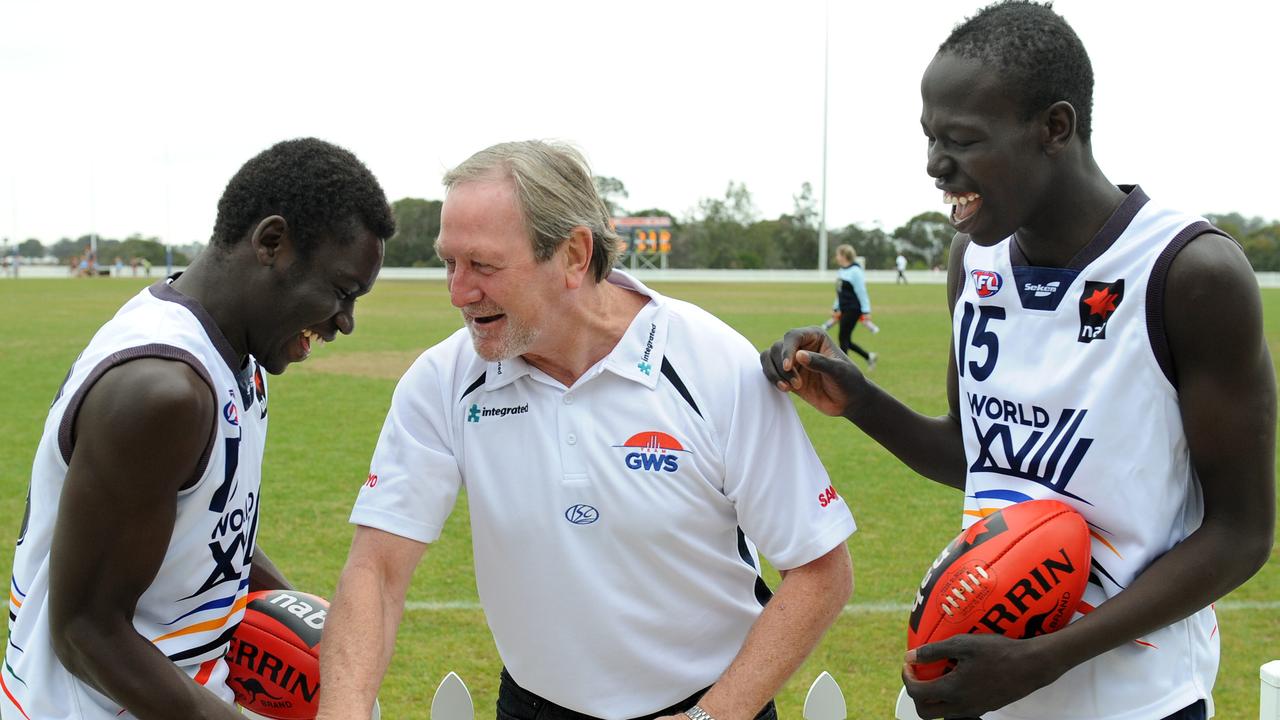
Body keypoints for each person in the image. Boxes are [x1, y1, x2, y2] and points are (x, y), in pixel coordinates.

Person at [760, 2, 1274, 719]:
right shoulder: (974, 258)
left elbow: (1240, 533)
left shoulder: (1189, 273)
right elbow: (975, 457)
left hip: (1133, 699)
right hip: (986, 670)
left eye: (962, 140)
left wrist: (1045, 659)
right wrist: (862, 402)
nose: (936, 166)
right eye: (929, 137)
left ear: (1054, 128)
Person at [317, 140, 855, 720]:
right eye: (450, 262)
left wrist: (713, 716)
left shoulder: (711, 362)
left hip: (710, 707)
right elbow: (376, 570)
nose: (458, 292)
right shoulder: (443, 380)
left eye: (484, 266)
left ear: (574, 254)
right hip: (533, 706)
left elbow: (819, 567)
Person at [1, 137, 395, 720]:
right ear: (271, 243)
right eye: (341, 292)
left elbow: (208, 541)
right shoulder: (163, 393)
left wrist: (316, 634)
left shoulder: (238, 358)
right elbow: (86, 631)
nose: (346, 322)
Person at [830, 244, 877, 370]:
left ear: (844, 255)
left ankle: (842, 369)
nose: (837, 257)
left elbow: (862, 292)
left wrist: (866, 311)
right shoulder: (842, 271)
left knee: (842, 338)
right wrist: (836, 308)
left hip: (853, 309)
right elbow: (839, 293)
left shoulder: (856, 271)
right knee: (846, 340)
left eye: (838, 254)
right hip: (844, 308)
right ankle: (869, 356)